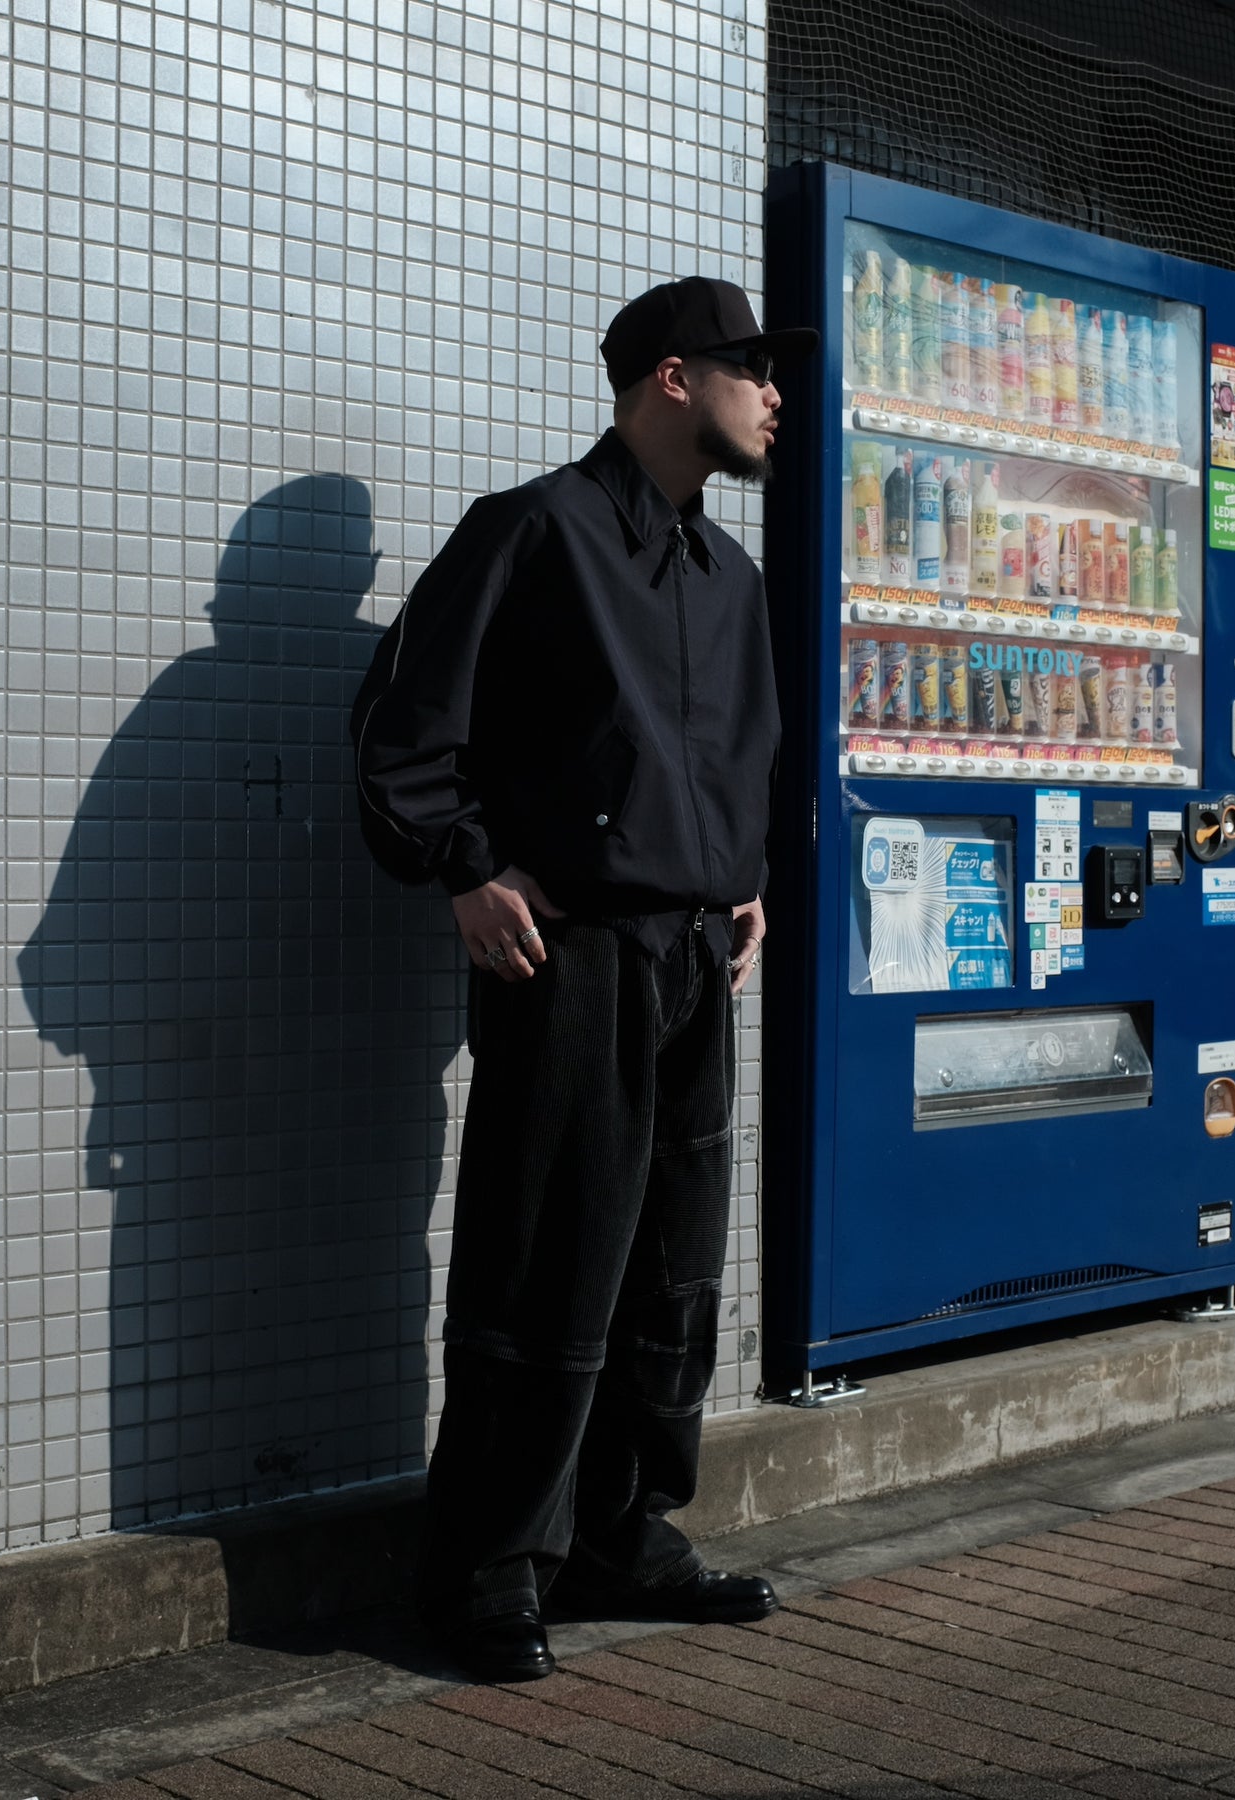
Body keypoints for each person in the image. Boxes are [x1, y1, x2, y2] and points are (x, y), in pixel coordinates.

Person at [350, 277, 815, 1682]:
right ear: (673, 380)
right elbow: (407, 732)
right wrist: (466, 871)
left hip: (692, 962)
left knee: (673, 1269)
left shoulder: (727, 577)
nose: (774, 394)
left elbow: (741, 754)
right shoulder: (533, 531)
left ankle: (622, 1533)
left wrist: (745, 881)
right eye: (752, 370)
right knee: (545, 1259)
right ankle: (490, 1567)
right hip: (573, 958)